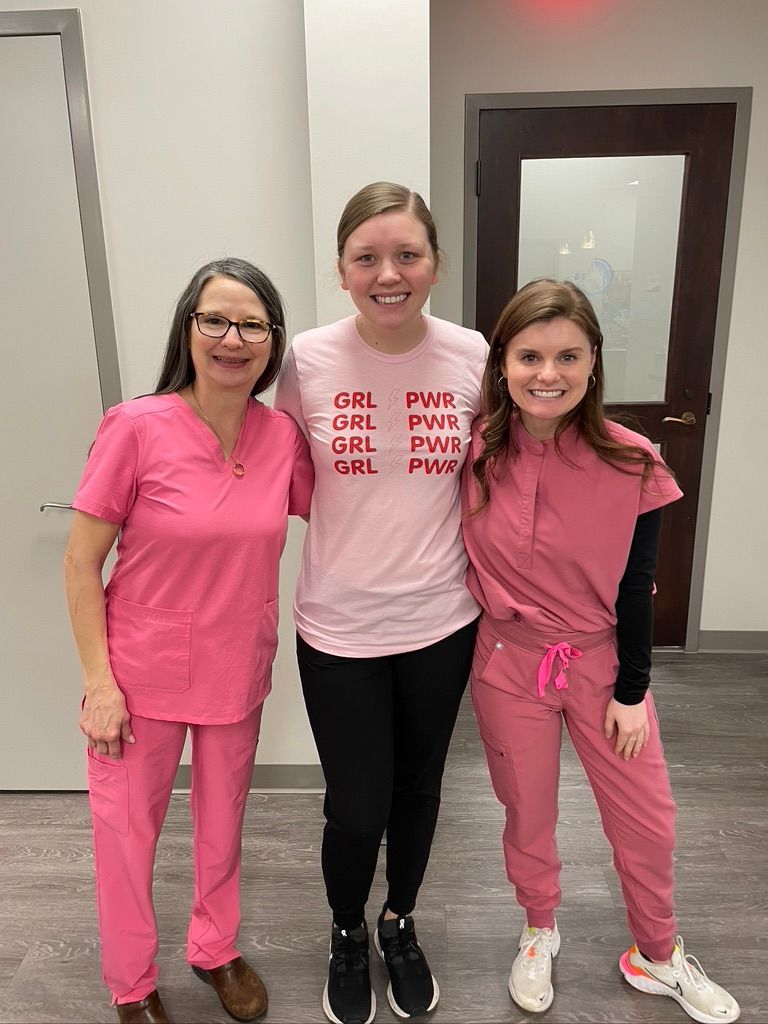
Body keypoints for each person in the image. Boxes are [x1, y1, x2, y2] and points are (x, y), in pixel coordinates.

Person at [460, 278, 740, 1023]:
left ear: (592, 363)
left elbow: (638, 586)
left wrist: (630, 691)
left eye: (566, 356)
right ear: (503, 364)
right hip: (508, 663)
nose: (547, 374)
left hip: (602, 663)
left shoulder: (633, 459)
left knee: (649, 817)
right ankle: (539, 927)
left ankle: (656, 952)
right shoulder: (477, 455)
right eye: (528, 356)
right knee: (527, 811)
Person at [64, 258, 314, 1024]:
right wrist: (100, 685)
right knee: (126, 834)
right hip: (140, 677)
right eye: (216, 320)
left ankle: (214, 948)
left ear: (273, 343)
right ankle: (131, 984)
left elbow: (348, 512)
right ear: (189, 327)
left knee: (223, 822)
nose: (232, 339)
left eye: (253, 325)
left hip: (238, 666)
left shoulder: (282, 439)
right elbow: (80, 561)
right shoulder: (136, 427)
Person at [275, 181, 487, 1024]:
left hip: (442, 621)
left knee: (419, 791)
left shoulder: (473, 354)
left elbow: (520, 462)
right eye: (367, 258)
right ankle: (345, 930)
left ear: (435, 263)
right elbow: (262, 462)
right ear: (341, 269)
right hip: (337, 627)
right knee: (356, 802)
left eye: (407, 255)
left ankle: (400, 920)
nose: (388, 273)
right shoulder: (307, 361)